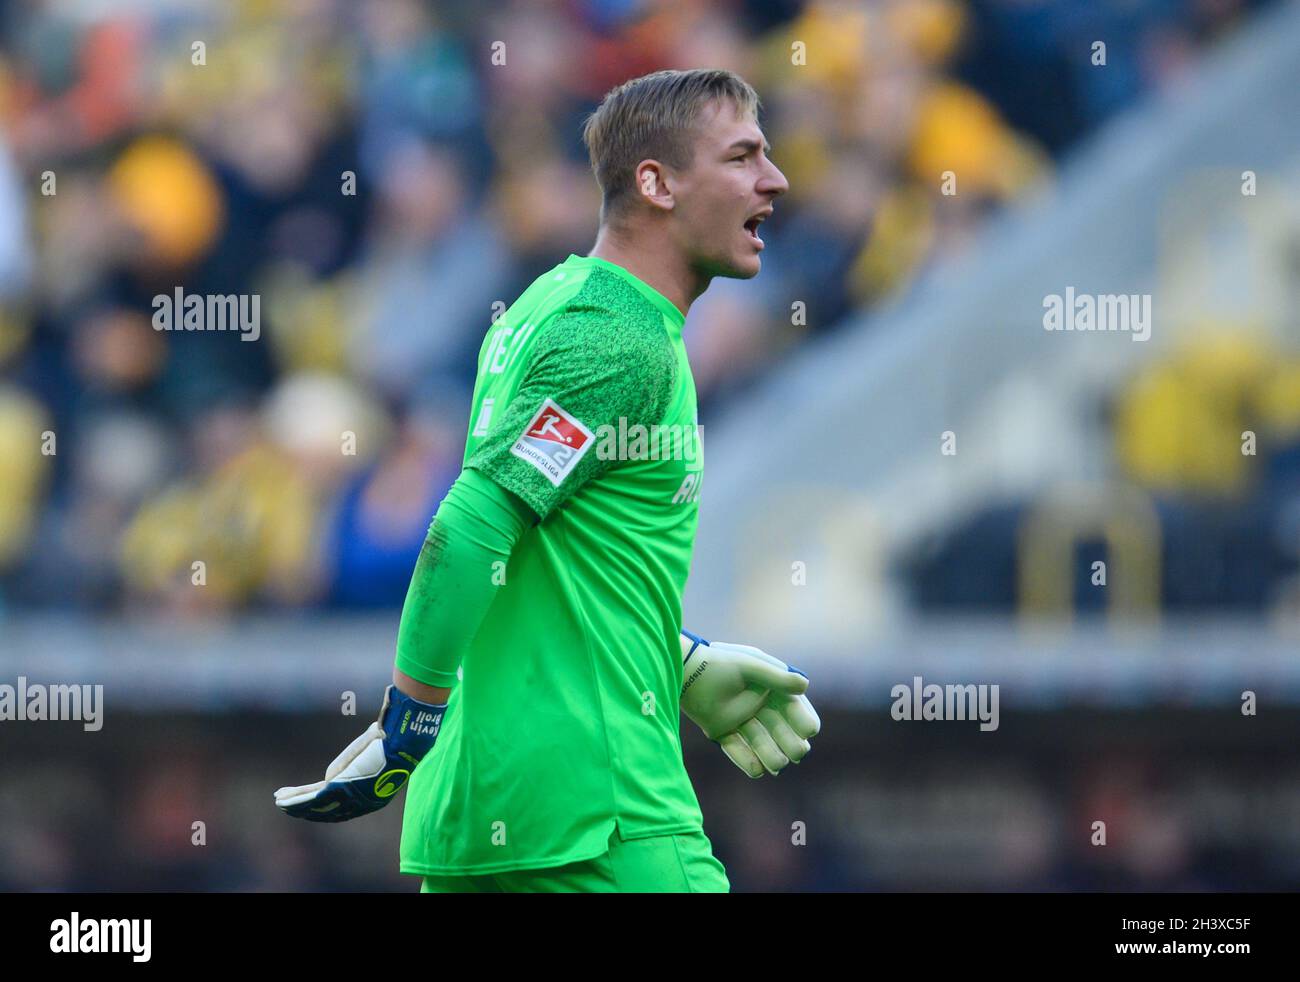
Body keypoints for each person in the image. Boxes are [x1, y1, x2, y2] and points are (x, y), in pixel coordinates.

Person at [275, 68, 820, 893]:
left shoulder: (550, 305)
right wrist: (408, 719)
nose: (774, 180)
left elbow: (541, 554)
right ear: (657, 182)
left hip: (496, 820)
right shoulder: (618, 338)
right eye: (743, 156)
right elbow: (470, 528)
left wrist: (671, 661)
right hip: (602, 824)